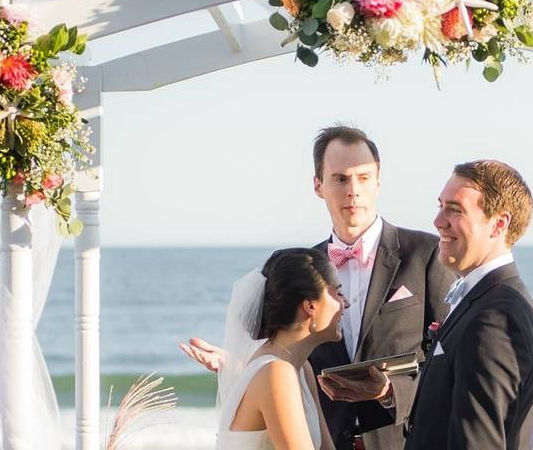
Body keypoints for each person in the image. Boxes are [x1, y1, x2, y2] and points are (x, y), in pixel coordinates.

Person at [182, 126, 454, 450]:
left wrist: (390, 390)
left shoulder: (425, 254)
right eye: (340, 178)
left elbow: (451, 362)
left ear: (379, 182)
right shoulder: (301, 272)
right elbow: (284, 355)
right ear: (318, 185)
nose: (353, 190)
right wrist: (240, 363)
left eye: (363, 177)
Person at [403, 160, 533, 450]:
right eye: (440, 205)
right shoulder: (482, 298)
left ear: (499, 224)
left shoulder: (497, 316)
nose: (438, 220)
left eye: (455, 210)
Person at [215, 247, 347, 450]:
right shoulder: (276, 372)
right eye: (338, 293)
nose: (345, 303)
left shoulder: (302, 370)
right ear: (310, 306)